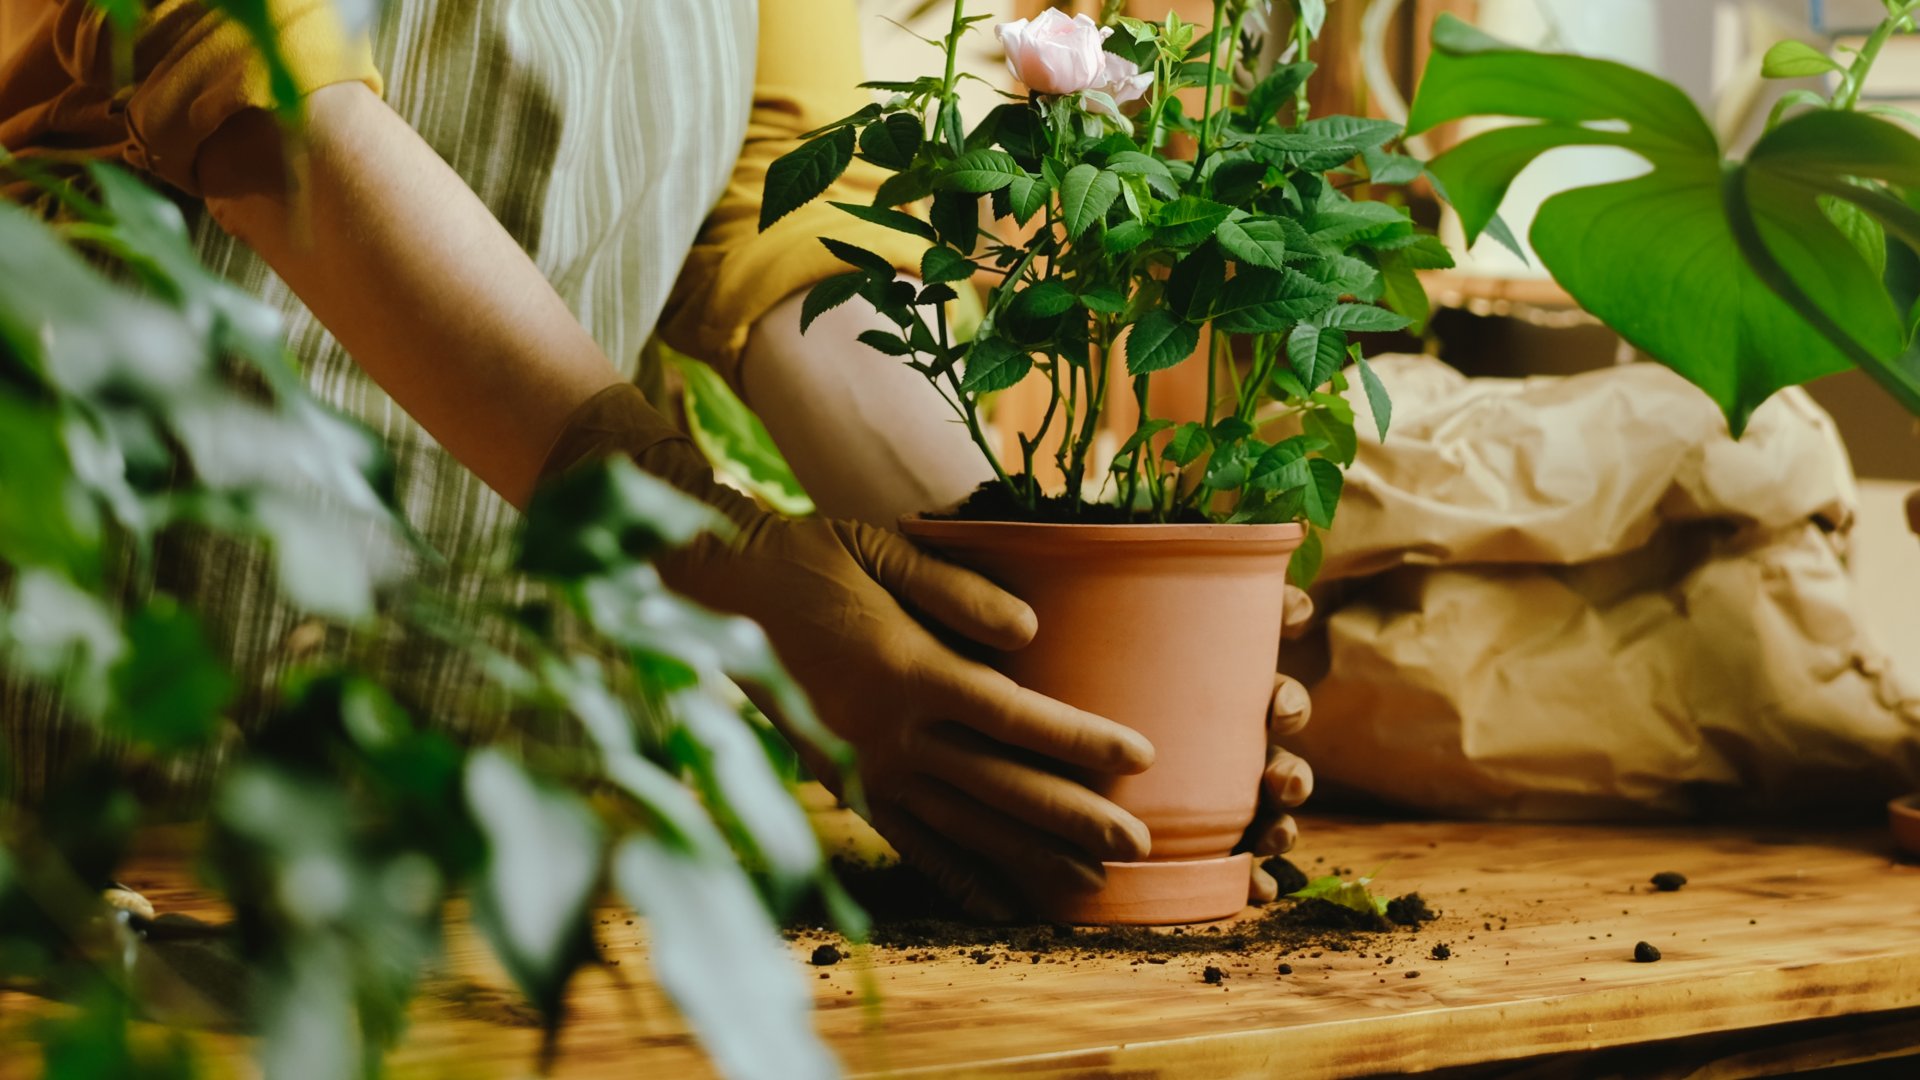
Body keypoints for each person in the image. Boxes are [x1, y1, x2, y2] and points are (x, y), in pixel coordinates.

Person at [0, 0, 1317, 915]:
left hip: (481, 782)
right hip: (105, 743)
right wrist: (722, 548)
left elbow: (779, 238)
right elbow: (263, 108)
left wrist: (1046, 631)